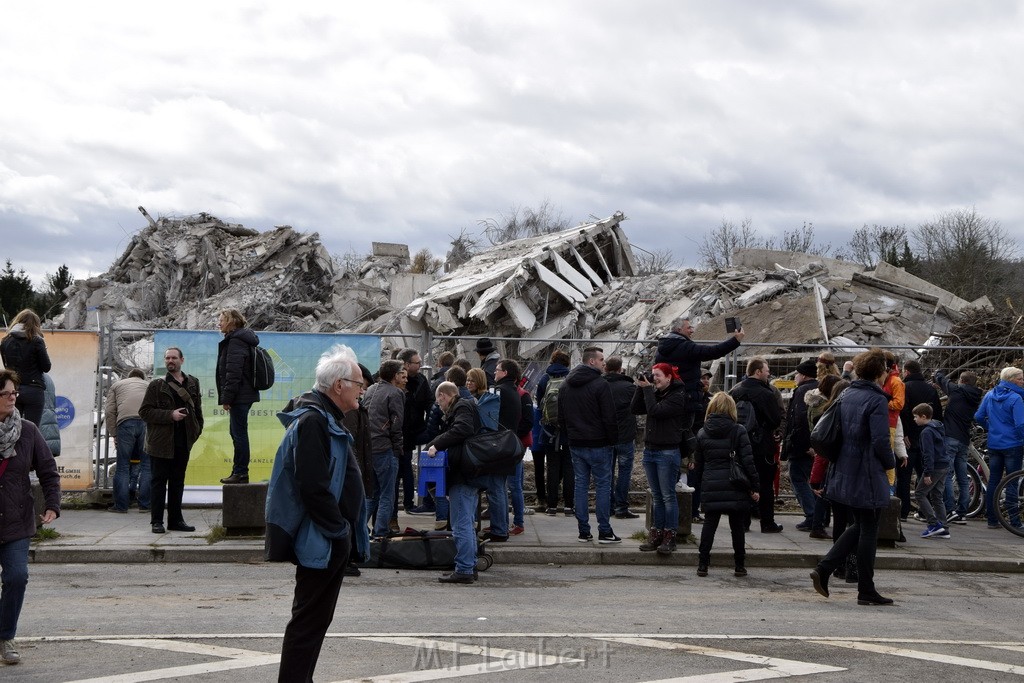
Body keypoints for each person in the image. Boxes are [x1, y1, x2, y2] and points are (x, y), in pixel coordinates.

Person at [265, 344, 369, 681]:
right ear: (339, 385)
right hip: (321, 537)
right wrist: (338, 531)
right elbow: (312, 486)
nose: (362, 388)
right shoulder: (313, 421)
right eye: (358, 383)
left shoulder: (324, 418)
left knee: (315, 619)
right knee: (308, 620)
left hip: (328, 537)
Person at [809, 348, 897, 606]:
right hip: (867, 470)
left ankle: (825, 569)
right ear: (880, 373)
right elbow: (881, 440)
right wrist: (889, 464)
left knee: (859, 525)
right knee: (868, 529)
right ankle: (865, 590)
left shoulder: (848, 392)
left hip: (845, 467)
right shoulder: (877, 399)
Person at [0, 368, 60, 665]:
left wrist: (52, 504)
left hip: (16, 518)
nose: (13, 398)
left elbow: (48, 471)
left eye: (15, 393)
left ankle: (5, 636)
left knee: (17, 576)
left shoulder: (27, 430)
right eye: (6, 393)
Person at [654, 316, 744, 460]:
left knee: (671, 436)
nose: (692, 330)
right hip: (686, 400)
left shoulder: (661, 349)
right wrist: (735, 340)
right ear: (679, 329)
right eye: (689, 327)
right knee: (685, 438)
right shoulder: (685, 347)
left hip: (667, 398)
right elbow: (712, 352)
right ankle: (683, 470)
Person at [558, 346, 621, 544]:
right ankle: (604, 530)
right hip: (599, 443)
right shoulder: (600, 384)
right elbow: (609, 417)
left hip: (576, 443)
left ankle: (583, 531)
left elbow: (561, 417)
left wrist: (570, 437)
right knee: (603, 485)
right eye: (602, 359)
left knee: (581, 485)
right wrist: (612, 440)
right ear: (591, 361)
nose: (604, 363)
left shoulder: (566, 384)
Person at [425, 381, 486, 584]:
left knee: (461, 524)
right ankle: (469, 564)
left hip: (463, 475)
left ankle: (464, 569)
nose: (439, 406)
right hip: (468, 473)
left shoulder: (461, 406)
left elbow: (463, 429)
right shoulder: (465, 405)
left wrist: (436, 443)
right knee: (467, 522)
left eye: (438, 401)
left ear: (443, 395)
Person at [140, 347, 204, 534]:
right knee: (158, 482)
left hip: (183, 441)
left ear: (182, 360)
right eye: (167, 358)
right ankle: (157, 522)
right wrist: (170, 415)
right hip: (160, 443)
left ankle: (176, 521)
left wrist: (196, 430)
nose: (170, 361)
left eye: (174, 358)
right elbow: (144, 412)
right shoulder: (156, 385)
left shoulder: (192, 383)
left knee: (178, 482)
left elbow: (197, 410)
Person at [695, 392, 759, 577]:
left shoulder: (702, 432)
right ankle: (739, 565)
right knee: (737, 526)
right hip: (735, 484)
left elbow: (698, 465)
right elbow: (748, 461)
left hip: (711, 482)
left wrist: (702, 485)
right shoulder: (738, 430)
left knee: (710, 524)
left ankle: (702, 564)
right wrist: (755, 485)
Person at [632, 363, 688, 554]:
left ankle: (669, 537)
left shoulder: (677, 396)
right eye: (652, 375)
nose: (654, 378)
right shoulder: (653, 392)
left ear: (669, 377)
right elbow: (635, 408)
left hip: (667, 452)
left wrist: (648, 389)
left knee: (667, 496)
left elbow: (656, 411)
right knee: (657, 496)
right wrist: (641, 388)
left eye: (657, 375)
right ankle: (656, 535)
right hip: (650, 450)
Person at [729, 358, 784, 532]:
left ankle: (743, 522)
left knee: (742, 482)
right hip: (762, 446)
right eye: (767, 370)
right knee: (765, 484)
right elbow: (775, 419)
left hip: (740, 444)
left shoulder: (735, 391)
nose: (768, 373)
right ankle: (767, 522)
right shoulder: (766, 393)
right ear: (758, 372)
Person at [974, 367, 1024, 530]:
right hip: (1013, 445)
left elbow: (978, 416)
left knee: (994, 480)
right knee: (1012, 481)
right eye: (1020, 379)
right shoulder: (1016, 398)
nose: (1023, 381)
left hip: (994, 444)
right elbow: (1020, 424)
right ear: (1011, 380)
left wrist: (992, 428)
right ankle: (1014, 522)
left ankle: (992, 520)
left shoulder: (989, 395)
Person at [216, 308, 262, 485]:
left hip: (240, 396)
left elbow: (233, 373)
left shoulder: (236, 341)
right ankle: (239, 471)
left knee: (239, 433)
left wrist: (227, 398)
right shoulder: (241, 339)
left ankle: (241, 472)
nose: (219, 323)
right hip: (243, 395)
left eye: (221, 319)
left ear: (231, 321)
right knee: (237, 432)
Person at [361, 360, 405, 539]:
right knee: (387, 493)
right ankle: (380, 532)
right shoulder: (395, 393)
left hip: (368, 447)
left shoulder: (371, 389)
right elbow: (397, 423)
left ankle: (360, 528)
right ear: (395, 375)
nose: (404, 377)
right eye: (401, 372)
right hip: (384, 448)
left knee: (372, 494)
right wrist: (397, 448)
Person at [933, 370, 982, 524]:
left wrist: (938, 373)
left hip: (950, 437)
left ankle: (950, 509)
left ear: (961, 380)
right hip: (964, 439)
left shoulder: (957, 390)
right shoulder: (976, 396)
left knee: (946, 475)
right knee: (962, 477)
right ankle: (962, 511)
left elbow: (942, 380)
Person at [104, 368, 151, 513]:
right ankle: (145, 505)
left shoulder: (117, 385)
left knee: (123, 466)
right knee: (147, 466)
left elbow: (109, 411)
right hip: (146, 423)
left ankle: (121, 506)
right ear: (141, 377)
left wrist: (114, 434)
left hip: (125, 423)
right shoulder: (149, 385)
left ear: (128, 377)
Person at [536, 349, 573, 515]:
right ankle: (569, 506)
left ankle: (551, 506)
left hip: (550, 431)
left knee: (551, 468)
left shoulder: (544, 379)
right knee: (569, 468)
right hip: (569, 431)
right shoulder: (571, 378)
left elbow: (539, 402)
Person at [0, 309, 51, 427]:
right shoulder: (37, 340)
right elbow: (46, 367)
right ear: (36, 325)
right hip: (34, 390)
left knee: (12, 428)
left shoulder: (5, 341)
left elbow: (7, 367)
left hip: (13, 390)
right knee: (32, 430)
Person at [784, 359, 819, 532]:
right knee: (814, 481)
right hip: (816, 445)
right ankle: (819, 517)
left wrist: (801, 445)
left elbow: (800, 420)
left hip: (802, 446)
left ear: (803, 375)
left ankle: (812, 515)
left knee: (798, 478)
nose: (795, 376)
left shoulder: (802, 391)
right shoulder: (819, 388)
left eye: (797, 374)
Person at [396, 348, 430, 519]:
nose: (420, 365)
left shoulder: (421, 380)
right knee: (399, 469)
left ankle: (408, 502)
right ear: (407, 365)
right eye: (417, 363)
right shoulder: (393, 383)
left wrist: (429, 427)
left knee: (406, 466)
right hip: (396, 433)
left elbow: (429, 404)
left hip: (412, 431)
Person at [604, 356, 639, 519]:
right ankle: (621, 507)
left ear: (606, 368)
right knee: (624, 471)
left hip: (606, 437)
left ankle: (609, 506)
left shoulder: (601, 385)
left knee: (607, 473)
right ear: (620, 369)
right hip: (625, 435)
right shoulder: (630, 387)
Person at [913, 404, 950, 539]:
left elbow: (928, 454)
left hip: (934, 467)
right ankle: (944, 527)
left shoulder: (926, 432)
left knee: (920, 493)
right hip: (944, 464)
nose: (914, 419)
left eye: (916, 417)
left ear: (924, 416)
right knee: (937, 495)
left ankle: (933, 524)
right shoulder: (937, 426)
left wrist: (927, 473)